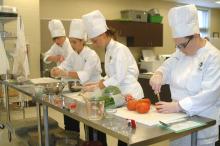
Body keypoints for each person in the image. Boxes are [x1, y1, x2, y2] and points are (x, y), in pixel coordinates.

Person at [149, 5, 220, 146]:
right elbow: (167, 66)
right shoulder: (181, 52)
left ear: (195, 36)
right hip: (178, 122)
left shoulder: (213, 57)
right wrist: (158, 74)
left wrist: (178, 106)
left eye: (182, 45)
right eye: (177, 46)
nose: (180, 50)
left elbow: (209, 94)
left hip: (202, 122)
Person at [82, 10, 144, 146]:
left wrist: (98, 86)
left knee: (128, 136)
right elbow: (110, 75)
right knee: (122, 132)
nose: (95, 44)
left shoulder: (119, 49)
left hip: (132, 95)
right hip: (120, 94)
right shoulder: (109, 49)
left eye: (95, 40)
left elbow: (119, 76)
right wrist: (96, 83)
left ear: (103, 35)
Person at [50, 19, 102, 132]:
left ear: (82, 41)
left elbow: (86, 75)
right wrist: (56, 69)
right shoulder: (73, 54)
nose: (72, 45)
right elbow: (64, 65)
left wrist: (65, 73)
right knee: (70, 122)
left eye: (74, 42)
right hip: (78, 92)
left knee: (93, 128)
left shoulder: (91, 55)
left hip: (93, 95)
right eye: (71, 42)